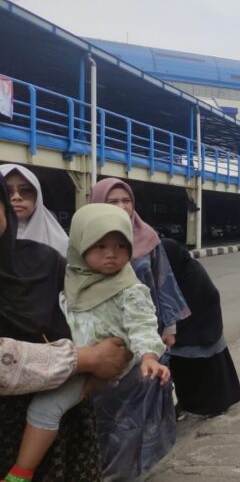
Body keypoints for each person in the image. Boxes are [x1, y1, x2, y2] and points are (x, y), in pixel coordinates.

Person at [7, 204, 170, 482]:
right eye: (100, 245)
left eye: (121, 245)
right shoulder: (69, 276)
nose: (111, 253)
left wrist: (149, 356)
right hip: (68, 359)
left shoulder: (129, 289)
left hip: (89, 364)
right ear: (80, 245)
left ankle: (20, 473)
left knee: (45, 408)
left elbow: (142, 324)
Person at [0, 175, 131, 482]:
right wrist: (85, 359)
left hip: (60, 425)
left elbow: (108, 320)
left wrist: (108, 366)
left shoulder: (46, 262)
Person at [89, 178, 188, 480]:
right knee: (107, 415)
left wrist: (168, 328)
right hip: (103, 341)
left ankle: (131, 469)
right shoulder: (85, 241)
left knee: (139, 413)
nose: (121, 207)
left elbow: (163, 281)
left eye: (126, 201)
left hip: (147, 337)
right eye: (112, 202)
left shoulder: (148, 240)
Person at [161, 239, 240, 417]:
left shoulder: (183, 271)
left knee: (189, 362)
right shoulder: (183, 268)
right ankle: (200, 404)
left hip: (196, 318)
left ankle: (196, 406)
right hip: (200, 317)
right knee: (204, 366)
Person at [0, 165, 68, 256]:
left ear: (38, 197)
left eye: (25, 191)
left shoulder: (60, 245)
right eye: (6, 192)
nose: (16, 197)